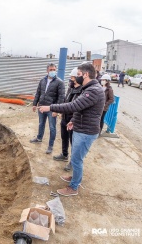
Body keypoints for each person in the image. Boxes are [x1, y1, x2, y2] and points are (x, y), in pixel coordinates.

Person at [38, 63, 105, 196]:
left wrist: (50, 107)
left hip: (86, 132)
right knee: (76, 157)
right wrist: (73, 121)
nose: (77, 77)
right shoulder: (89, 88)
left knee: (76, 160)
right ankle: (75, 178)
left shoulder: (93, 91)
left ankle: (73, 187)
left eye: (79, 75)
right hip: (81, 128)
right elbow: (83, 108)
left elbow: (74, 105)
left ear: (86, 75)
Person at [30, 63, 65, 154]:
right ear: (47, 70)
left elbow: (61, 97)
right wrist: (34, 104)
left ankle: (50, 145)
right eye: (51, 70)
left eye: (54, 69)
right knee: (41, 124)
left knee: (52, 127)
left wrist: (56, 110)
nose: (53, 71)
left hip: (51, 108)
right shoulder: (42, 81)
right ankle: (39, 138)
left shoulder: (59, 82)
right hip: (41, 106)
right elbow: (38, 93)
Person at [53, 68, 83, 173]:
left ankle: (72, 161)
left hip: (73, 120)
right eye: (70, 77)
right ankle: (64, 154)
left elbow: (77, 107)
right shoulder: (70, 88)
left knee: (73, 142)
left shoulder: (82, 91)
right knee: (64, 137)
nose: (71, 79)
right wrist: (62, 113)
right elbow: (66, 102)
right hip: (65, 118)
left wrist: (74, 119)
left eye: (72, 77)